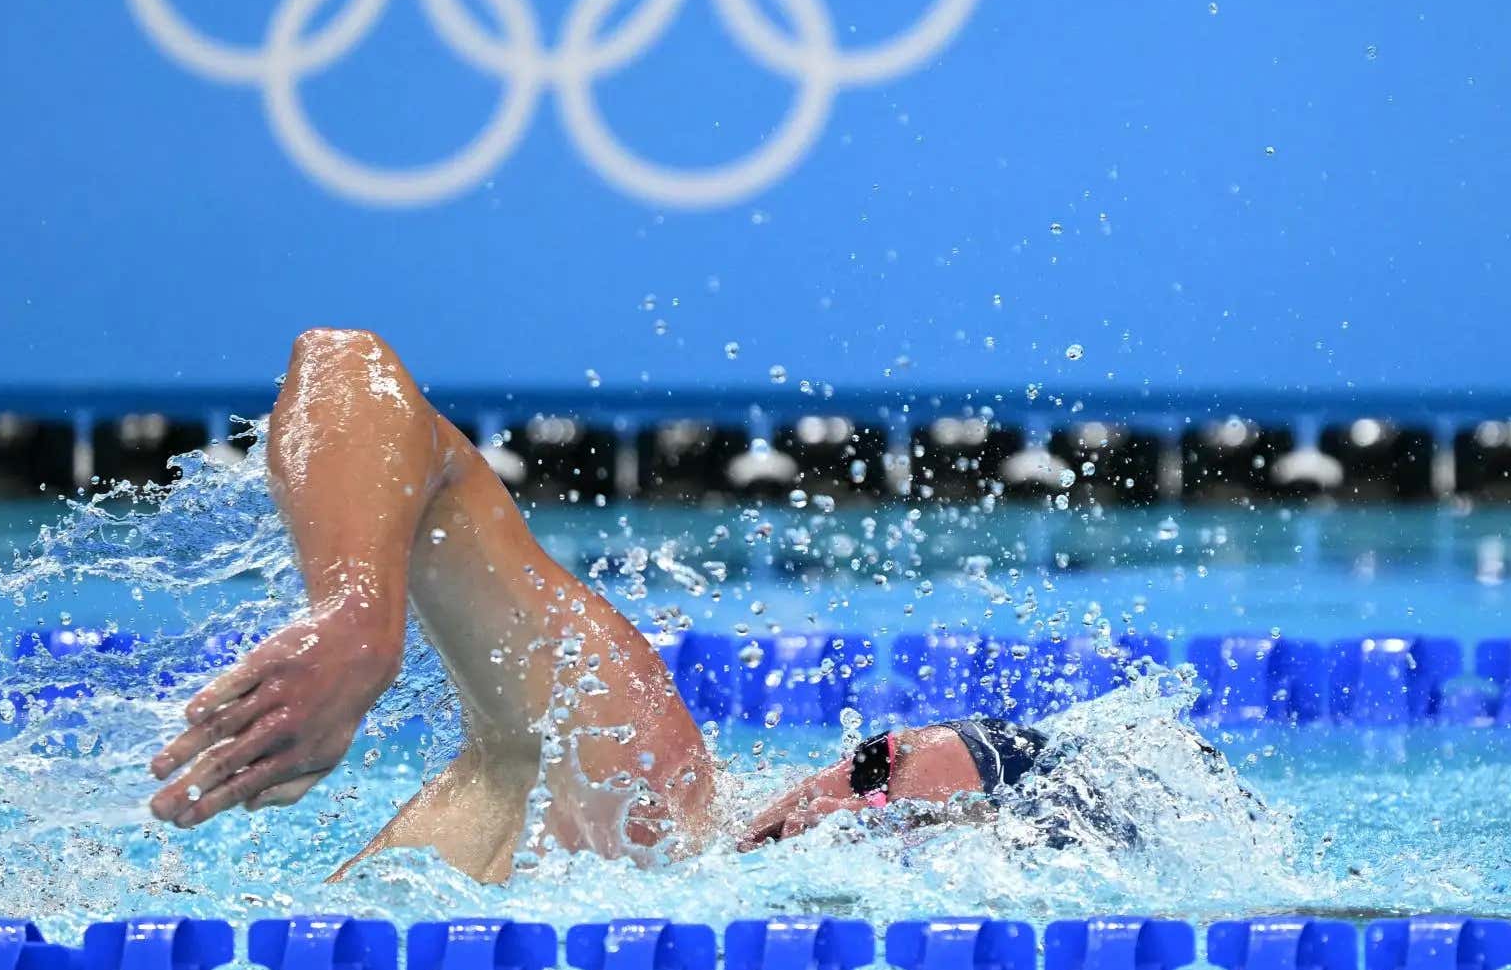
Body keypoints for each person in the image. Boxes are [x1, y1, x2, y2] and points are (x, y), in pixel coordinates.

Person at [148, 328, 1076, 883]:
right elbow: (346, 366)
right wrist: (355, 611)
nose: (835, 808)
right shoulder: (636, 786)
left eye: (888, 814)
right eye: (871, 764)